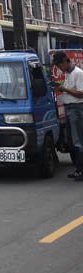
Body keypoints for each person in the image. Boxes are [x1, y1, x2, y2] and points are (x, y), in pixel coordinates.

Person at [52, 51, 83, 180]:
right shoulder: (68, 74)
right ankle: (78, 169)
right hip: (68, 108)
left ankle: (81, 170)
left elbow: (81, 93)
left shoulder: (78, 73)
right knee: (70, 140)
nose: (59, 69)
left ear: (65, 61)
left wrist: (64, 89)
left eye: (59, 65)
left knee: (78, 140)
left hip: (77, 109)